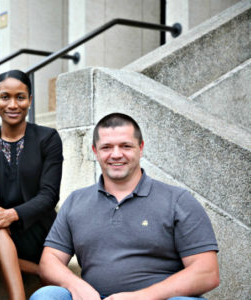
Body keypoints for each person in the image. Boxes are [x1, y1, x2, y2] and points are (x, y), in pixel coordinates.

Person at [30, 113, 220, 300]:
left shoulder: (177, 200)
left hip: (159, 298)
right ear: (95, 151)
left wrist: (142, 296)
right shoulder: (76, 201)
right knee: (46, 296)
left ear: (141, 148)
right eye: (106, 147)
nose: (116, 154)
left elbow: (206, 272)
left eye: (125, 146)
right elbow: (49, 261)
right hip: (95, 298)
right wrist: (75, 284)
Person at [0, 70, 63, 300]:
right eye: (5, 97)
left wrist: (12, 215)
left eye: (20, 97)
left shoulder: (48, 138)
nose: (12, 104)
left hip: (37, 230)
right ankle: (35, 278)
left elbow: (49, 195)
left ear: (30, 100)